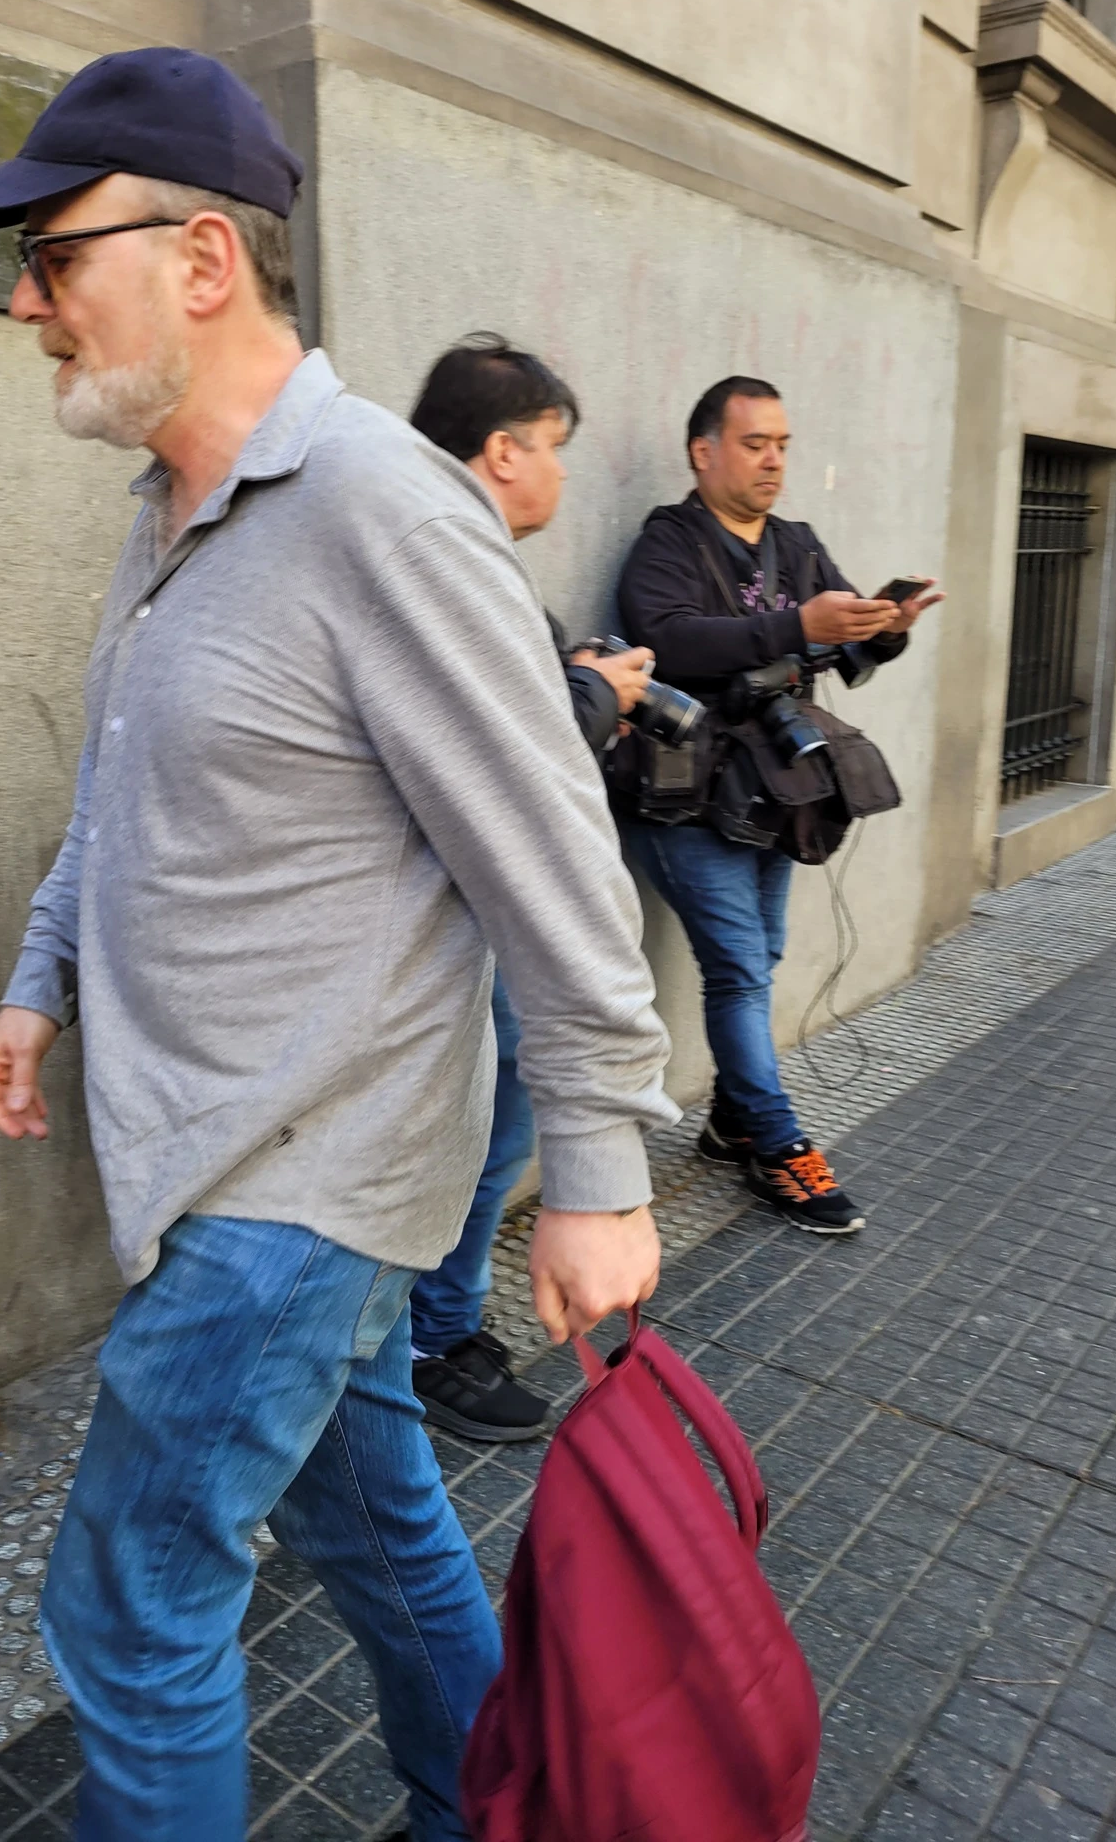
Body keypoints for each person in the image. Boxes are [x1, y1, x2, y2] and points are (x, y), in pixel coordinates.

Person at [0, 48, 678, 1842]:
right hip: (216, 1149)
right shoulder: (170, 511)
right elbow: (121, 792)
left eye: (53, 256)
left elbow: (556, 865)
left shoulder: (381, 510)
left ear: (203, 258)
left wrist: (595, 1171)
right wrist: (41, 982)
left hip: (301, 1185)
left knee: (130, 1608)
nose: (28, 304)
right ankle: (489, 1813)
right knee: (382, 1532)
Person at [618, 376, 941, 1236]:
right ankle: (776, 1143)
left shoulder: (796, 544)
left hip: (774, 787)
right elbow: (667, 638)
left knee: (760, 953)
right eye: (755, 443)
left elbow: (838, 643)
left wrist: (885, 627)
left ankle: (730, 1120)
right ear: (704, 452)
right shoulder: (669, 539)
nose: (773, 461)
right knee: (738, 968)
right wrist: (800, 627)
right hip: (685, 796)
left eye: (783, 445)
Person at [405, 336, 655, 1443]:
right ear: (503, 451)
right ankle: (431, 1337)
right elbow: (489, 752)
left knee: (493, 1126)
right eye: (554, 447)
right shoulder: (441, 560)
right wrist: (595, 697)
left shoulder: (455, 553)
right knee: (484, 1129)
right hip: (451, 920)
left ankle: (433, 1328)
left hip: (464, 915)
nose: (560, 472)